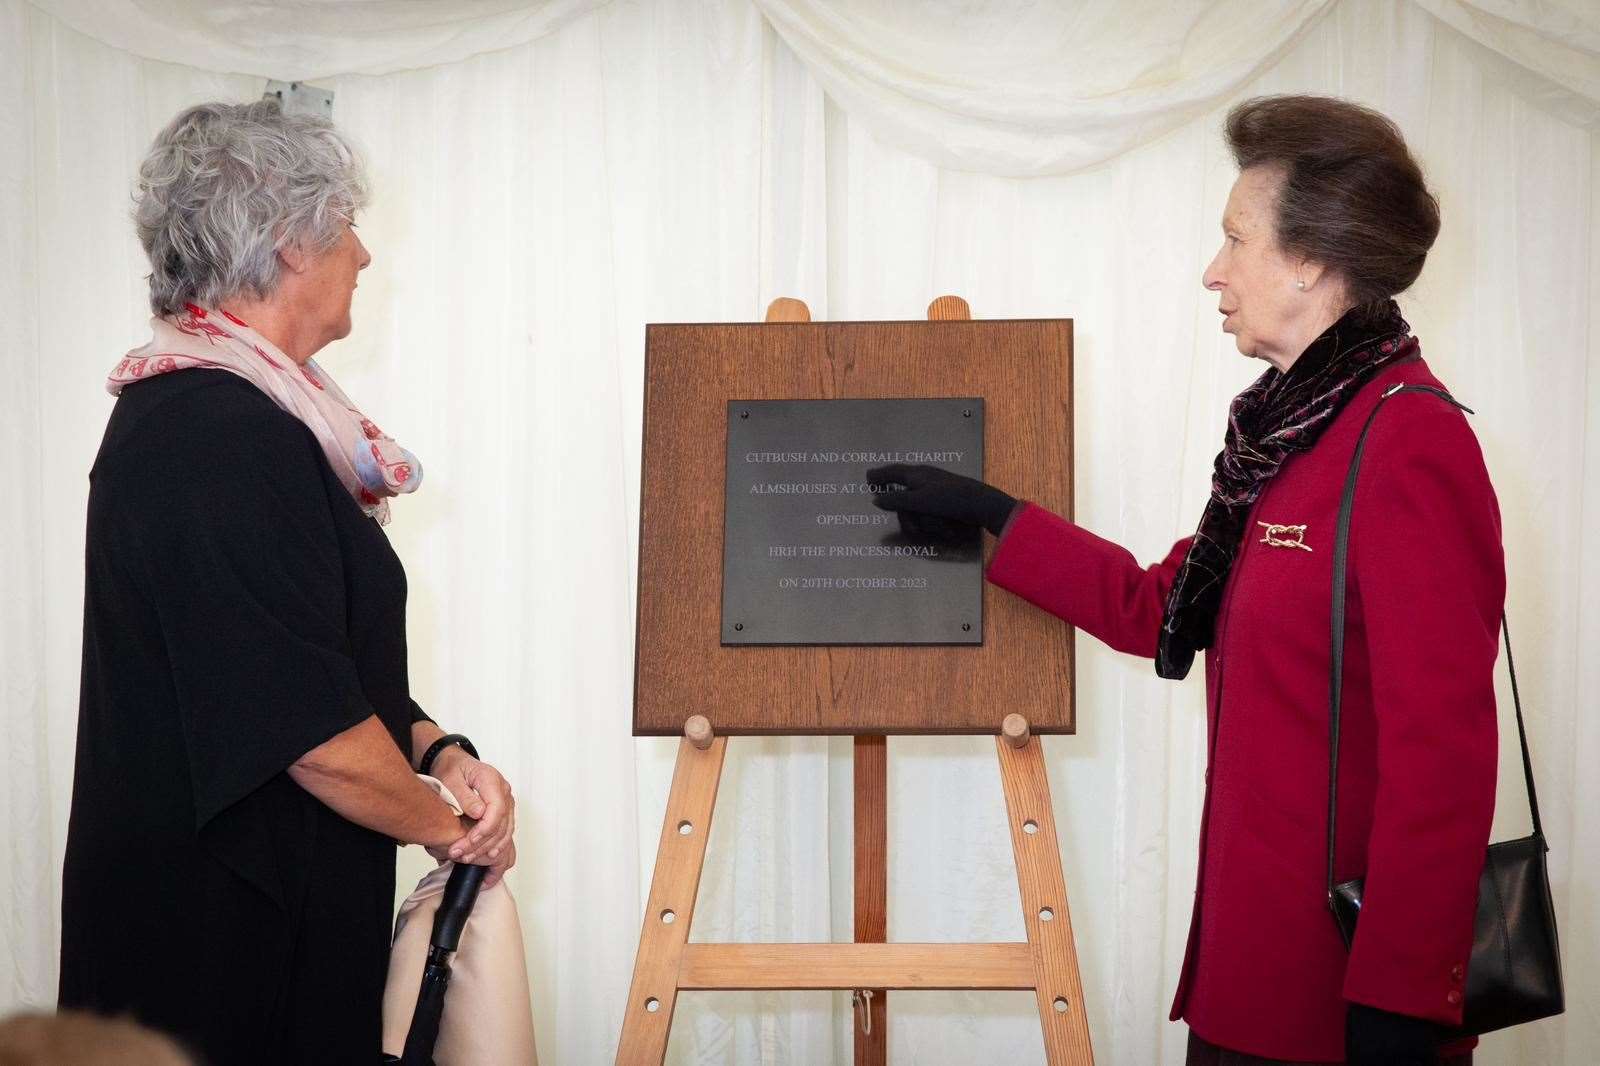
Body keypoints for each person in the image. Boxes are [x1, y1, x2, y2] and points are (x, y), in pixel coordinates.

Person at [871, 95, 1499, 1066]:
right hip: (1247, 981)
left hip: (1344, 1010)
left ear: (1308, 260)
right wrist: (990, 516)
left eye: (1234, 238)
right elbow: (1161, 605)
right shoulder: (1286, 436)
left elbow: (1443, 764)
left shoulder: (1410, 439)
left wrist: (1402, 1004)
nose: (1214, 271)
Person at [59, 100, 517, 1065]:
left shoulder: (241, 420)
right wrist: (453, 832)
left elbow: (300, 657)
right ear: (289, 240)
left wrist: (440, 753)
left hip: (248, 924)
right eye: (347, 224)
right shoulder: (212, 434)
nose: (364, 253)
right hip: (215, 952)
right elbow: (308, 734)